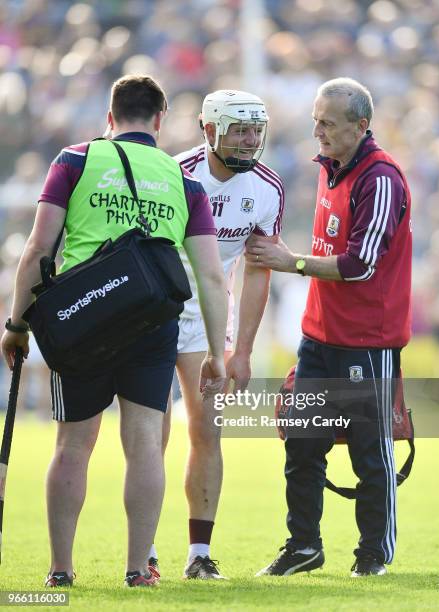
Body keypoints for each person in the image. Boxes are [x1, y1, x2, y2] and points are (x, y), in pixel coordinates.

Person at [0, 75, 228, 588]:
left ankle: (60, 571)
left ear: (110, 116)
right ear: (159, 120)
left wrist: (16, 325)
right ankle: (136, 569)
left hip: (83, 318)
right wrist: (217, 351)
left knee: (72, 445)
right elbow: (212, 276)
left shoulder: (75, 161)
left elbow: (38, 251)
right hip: (152, 324)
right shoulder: (183, 180)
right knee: (146, 442)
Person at [248, 78, 412, 577]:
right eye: (316, 120)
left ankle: (372, 556)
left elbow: (360, 264)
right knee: (301, 444)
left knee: (369, 452)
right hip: (318, 336)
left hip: (366, 340)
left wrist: (290, 262)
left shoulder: (380, 178)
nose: (316, 130)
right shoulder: (331, 169)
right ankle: (303, 546)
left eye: (328, 123)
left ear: (362, 126)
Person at [148, 90, 284, 579]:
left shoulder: (268, 188)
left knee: (208, 431)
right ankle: (145, 551)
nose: (250, 142)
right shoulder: (172, 173)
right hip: (153, 314)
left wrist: (242, 349)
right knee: (150, 435)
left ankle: (198, 555)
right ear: (209, 131)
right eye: (239, 131)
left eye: (256, 131)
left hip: (207, 321)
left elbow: (259, 270)